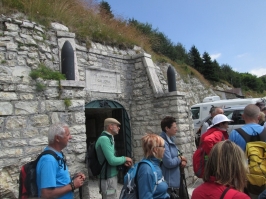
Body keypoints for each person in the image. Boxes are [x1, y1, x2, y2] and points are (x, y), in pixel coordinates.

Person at [36, 123, 86, 199]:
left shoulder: (57, 155)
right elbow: (46, 194)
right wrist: (72, 185)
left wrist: (74, 179)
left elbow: (59, 182)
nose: (70, 137)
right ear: (57, 138)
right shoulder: (49, 160)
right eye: (67, 135)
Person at [95, 118, 133, 199]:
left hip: (109, 177)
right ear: (110, 127)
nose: (119, 128)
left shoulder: (108, 138)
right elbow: (111, 160)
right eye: (117, 126)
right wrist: (125, 159)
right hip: (107, 178)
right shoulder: (104, 139)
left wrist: (122, 162)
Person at [160, 116, 187, 197]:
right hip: (169, 183)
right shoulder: (163, 142)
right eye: (174, 127)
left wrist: (183, 160)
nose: (177, 129)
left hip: (174, 181)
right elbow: (169, 162)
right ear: (167, 128)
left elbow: (179, 154)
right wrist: (180, 159)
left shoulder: (171, 140)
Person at [137, 133, 170, 199]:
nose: (164, 149)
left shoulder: (155, 164)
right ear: (155, 149)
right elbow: (145, 197)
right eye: (163, 147)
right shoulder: (146, 169)